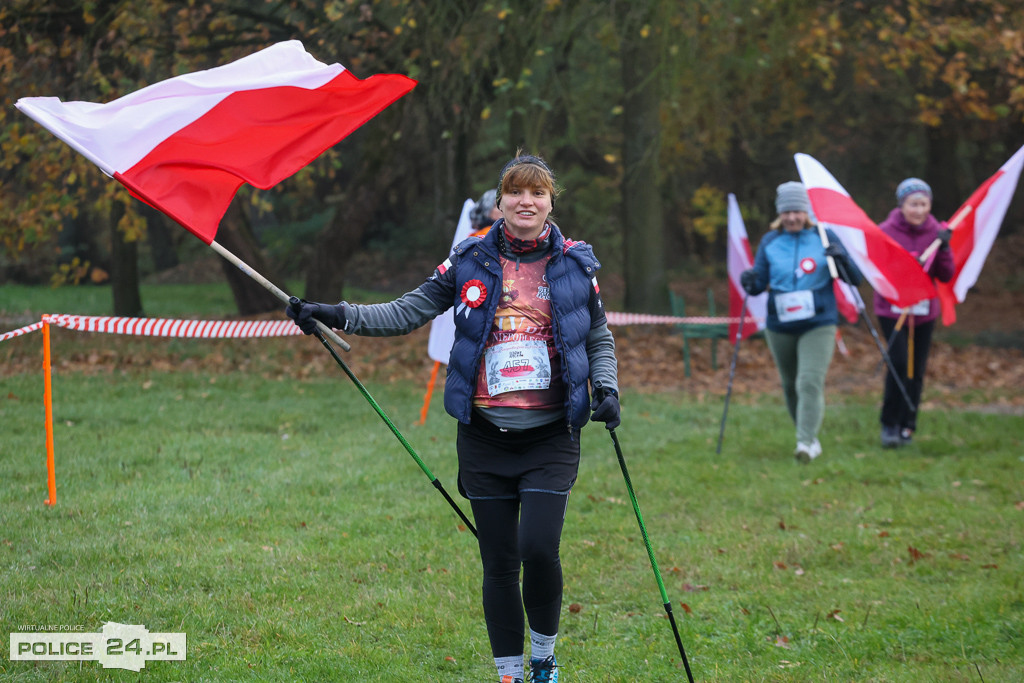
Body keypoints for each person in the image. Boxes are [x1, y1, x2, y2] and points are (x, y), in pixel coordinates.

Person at [287, 153, 619, 683]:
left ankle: (544, 656)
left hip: (550, 437)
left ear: (551, 202)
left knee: (538, 547)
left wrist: (607, 387)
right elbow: (405, 311)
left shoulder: (576, 265)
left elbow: (599, 336)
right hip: (484, 438)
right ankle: (510, 673)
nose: (526, 201)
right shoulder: (469, 259)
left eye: (537, 193)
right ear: (501, 200)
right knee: (500, 563)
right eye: (516, 192)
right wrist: (336, 313)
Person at [740, 181, 862, 463]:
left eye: (797, 211)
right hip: (780, 325)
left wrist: (841, 258)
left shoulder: (823, 235)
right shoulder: (771, 241)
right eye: (786, 212)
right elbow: (758, 284)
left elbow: (854, 279)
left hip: (818, 323)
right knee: (790, 384)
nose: (792, 217)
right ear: (779, 214)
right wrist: (750, 280)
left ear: (805, 211)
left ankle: (805, 443)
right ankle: (808, 435)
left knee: (809, 382)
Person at [873, 178, 954, 448]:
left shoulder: (937, 232)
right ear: (902, 205)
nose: (918, 210)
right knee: (897, 363)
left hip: (923, 311)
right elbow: (877, 269)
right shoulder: (886, 231)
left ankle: (908, 425)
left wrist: (943, 248)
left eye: (923, 204)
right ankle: (889, 424)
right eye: (913, 204)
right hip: (892, 309)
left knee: (915, 369)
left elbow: (946, 274)